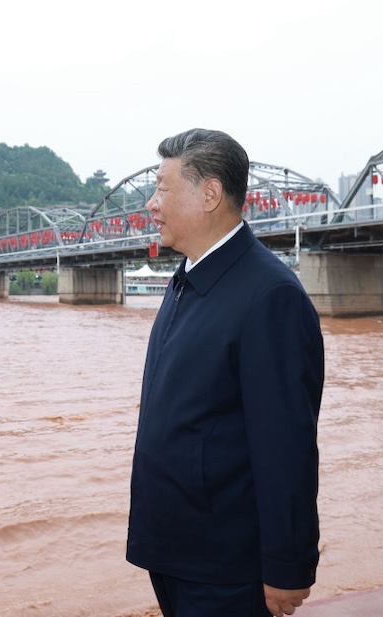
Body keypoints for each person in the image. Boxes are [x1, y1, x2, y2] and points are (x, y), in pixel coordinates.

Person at [126, 128, 325, 617]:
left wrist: (287, 564)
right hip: (174, 545)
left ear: (209, 193)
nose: (151, 204)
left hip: (224, 563)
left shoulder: (268, 295)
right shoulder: (186, 280)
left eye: (162, 188)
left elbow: (286, 445)